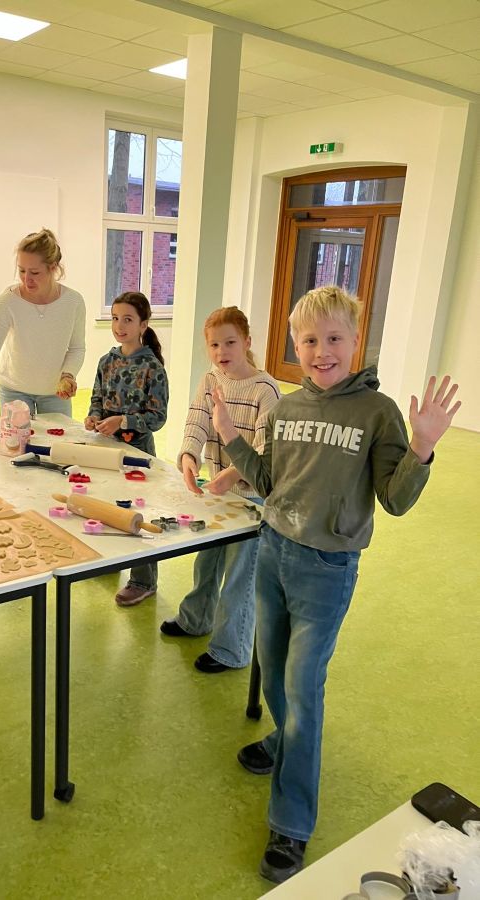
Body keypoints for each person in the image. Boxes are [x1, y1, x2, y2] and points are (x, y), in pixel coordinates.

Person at [210, 286, 461, 884]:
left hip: (326, 572)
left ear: (355, 342)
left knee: (304, 690)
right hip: (273, 553)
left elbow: (395, 499)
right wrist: (231, 437)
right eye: (309, 340)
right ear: (295, 345)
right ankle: (284, 739)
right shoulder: (288, 409)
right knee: (275, 674)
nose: (321, 351)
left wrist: (422, 447)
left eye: (333, 339)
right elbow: (269, 481)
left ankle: (291, 822)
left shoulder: (377, 412)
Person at [160, 307, 280, 672]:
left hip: (253, 496)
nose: (221, 351)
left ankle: (232, 649)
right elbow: (196, 421)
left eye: (229, 342)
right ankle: (196, 619)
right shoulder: (211, 379)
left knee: (240, 574)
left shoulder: (265, 389)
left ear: (246, 342)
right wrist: (188, 456)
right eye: (214, 344)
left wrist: (232, 474)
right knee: (207, 559)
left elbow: (264, 448)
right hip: (218, 489)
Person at [0, 228, 85, 429]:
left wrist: (68, 375)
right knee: (15, 444)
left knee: (57, 445)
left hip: (55, 394)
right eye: (22, 270)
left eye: (34, 272)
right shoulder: (7, 302)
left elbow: (77, 348)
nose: (26, 279)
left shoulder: (73, 302)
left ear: (53, 268)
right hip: (14, 391)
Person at [86, 291, 168, 607]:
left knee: (136, 512)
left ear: (143, 324)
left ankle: (143, 580)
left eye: (128, 319)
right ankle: (111, 561)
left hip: (138, 454)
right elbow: (96, 398)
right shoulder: (106, 361)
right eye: (115, 318)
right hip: (106, 449)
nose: (119, 326)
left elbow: (157, 417)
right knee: (108, 505)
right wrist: (94, 417)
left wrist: (123, 421)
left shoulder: (152, 368)